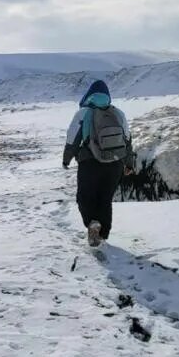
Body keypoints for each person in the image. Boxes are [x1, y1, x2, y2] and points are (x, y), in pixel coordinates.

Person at [63, 80, 134, 247]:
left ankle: (92, 223)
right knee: (105, 198)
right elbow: (128, 140)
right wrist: (129, 163)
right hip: (115, 163)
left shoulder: (84, 113)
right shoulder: (118, 113)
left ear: (89, 94)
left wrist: (66, 159)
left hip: (90, 161)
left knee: (85, 197)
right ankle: (103, 234)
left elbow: (72, 139)